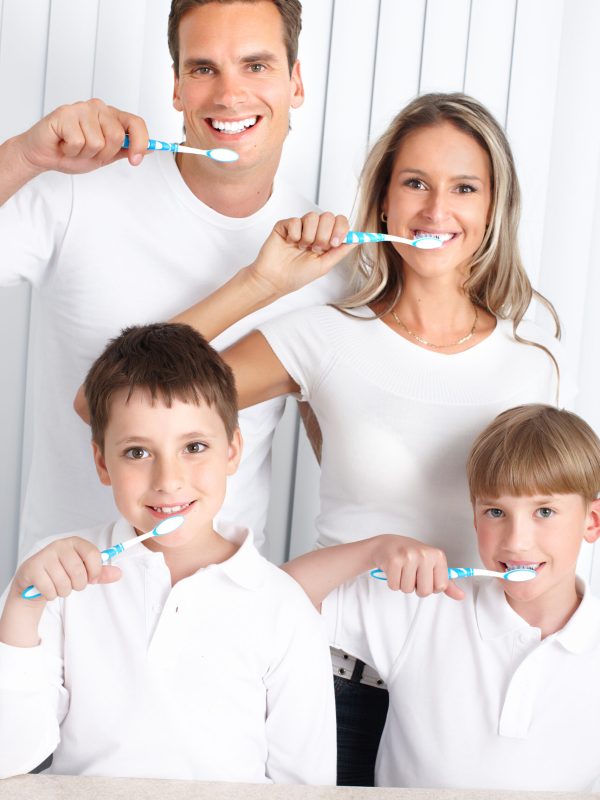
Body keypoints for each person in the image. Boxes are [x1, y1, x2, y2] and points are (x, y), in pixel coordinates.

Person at [162, 91, 571, 784]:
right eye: (415, 183)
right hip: (333, 686)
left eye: (464, 188)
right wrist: (262, 281)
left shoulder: (536, 362)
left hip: (468, 690)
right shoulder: (324, 338)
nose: (437, 210)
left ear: (492, 209)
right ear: (383, 202)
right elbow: (141, 397)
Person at [0, 0, 346, 557]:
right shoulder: (77, 191)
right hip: (62, 604)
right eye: (204, 68)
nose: (230, 95)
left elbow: (349, 465)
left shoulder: (331, 265)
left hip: (223, 616)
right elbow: (98, 402)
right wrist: (22, 154)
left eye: (255, 65)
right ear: (177, 87)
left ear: (296, 82)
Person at [0, 322, 335, 783]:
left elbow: (306, 784)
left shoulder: (284, 607)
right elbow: (9, 757)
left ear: (233, 449)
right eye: (138, 453)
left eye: (194, 447)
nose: (168, 480)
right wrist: (21, 605)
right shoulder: (56, 577)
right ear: (102, 463)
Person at [281, 404, 600, 792]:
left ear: (592, 521)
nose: (517, 540)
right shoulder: (427, 606)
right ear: (474, 517)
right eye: (496, 511)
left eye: (545, 511)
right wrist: (374, 549)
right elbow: (278, 599)